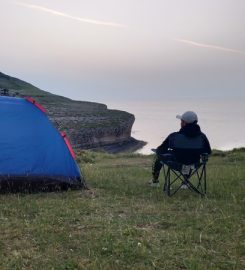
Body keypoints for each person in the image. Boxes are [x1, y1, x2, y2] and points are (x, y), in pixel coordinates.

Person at [149, 111, 211, 187]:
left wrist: (161, 151)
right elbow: (208, 152)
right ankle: (185, 182)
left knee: (158, 155)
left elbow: (160, 150)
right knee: (189, 158)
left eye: (181, 121)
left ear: (184, 123)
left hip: (176, 164)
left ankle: (155, 181)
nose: (180, 123)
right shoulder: (202, 137)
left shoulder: (174, 136)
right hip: (194, 164)